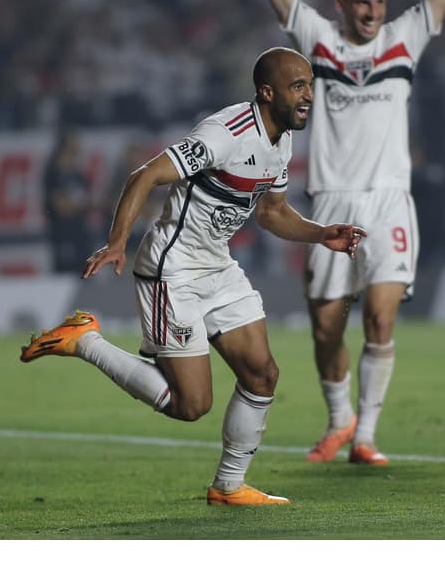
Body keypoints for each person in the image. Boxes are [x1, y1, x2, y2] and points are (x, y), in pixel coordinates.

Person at [213, 0, 445, 464]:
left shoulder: (405, 39)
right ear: (342, 5)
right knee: (326, 330)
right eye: (364, 4)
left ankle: (367, 436)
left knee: (379, 316)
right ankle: (341, 418)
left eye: (380, 3)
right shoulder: (318, 42)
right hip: (330, 202)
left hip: (389, 201)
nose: (374, 13)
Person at [20, 48, 365, 506]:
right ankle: (85, 341)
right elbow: (145, 175)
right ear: (268, 92)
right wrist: (118, 241)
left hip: (216, 267)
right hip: (173, 269)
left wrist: (322, 234)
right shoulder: (224, 134)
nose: (308, 96)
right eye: (297, 86)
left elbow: (272, 211)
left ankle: (228, 486)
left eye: (309, 85)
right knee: (191, 405)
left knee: (262, 373)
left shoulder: (281, 141)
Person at [43, 128, 95, 273]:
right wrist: (75, 204)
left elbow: (88, 202)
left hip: (81, 233)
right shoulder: (53, 172)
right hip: (63, 232)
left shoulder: (78, 174)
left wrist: (74, 204)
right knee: (64, 273)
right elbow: (60, 206)